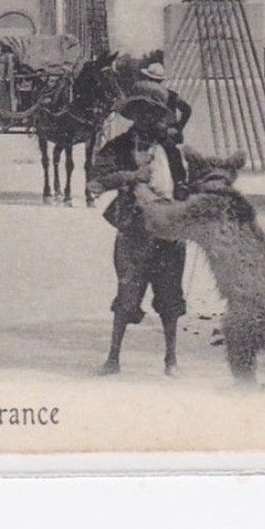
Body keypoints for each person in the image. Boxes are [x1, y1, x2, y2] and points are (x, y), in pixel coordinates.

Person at [85, 97, 189, 371]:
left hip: (169, 230)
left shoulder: (170, 148)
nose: (156, 122)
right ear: (137, 118)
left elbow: (183, 183)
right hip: (135, 231)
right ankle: (113, 359)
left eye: (158, 116)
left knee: (170, 297)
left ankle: (171, 360)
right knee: (127, 295)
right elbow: (95, 183)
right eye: (149, 116)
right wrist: (130, 177)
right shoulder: (117, 148)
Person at [123, 62, 191, 199]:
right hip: (163, 131)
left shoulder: (143, 96)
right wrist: (178, 127)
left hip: (151, 131)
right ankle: (180, 183)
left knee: (127, 149)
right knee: (174, 155)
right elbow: (186, 109)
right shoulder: (170, 95)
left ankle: (128, 184)